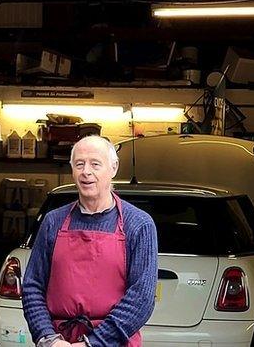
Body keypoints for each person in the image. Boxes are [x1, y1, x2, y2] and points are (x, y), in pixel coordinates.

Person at [22, 135, 158, 347]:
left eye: (95, 164)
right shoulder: (53, 221)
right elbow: (32, 286)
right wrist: (48, 338)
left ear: (113, 168)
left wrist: (93, 343)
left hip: (113, 343)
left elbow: (141, 299)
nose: (86, 172)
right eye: (79, 164)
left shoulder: (139, 225)